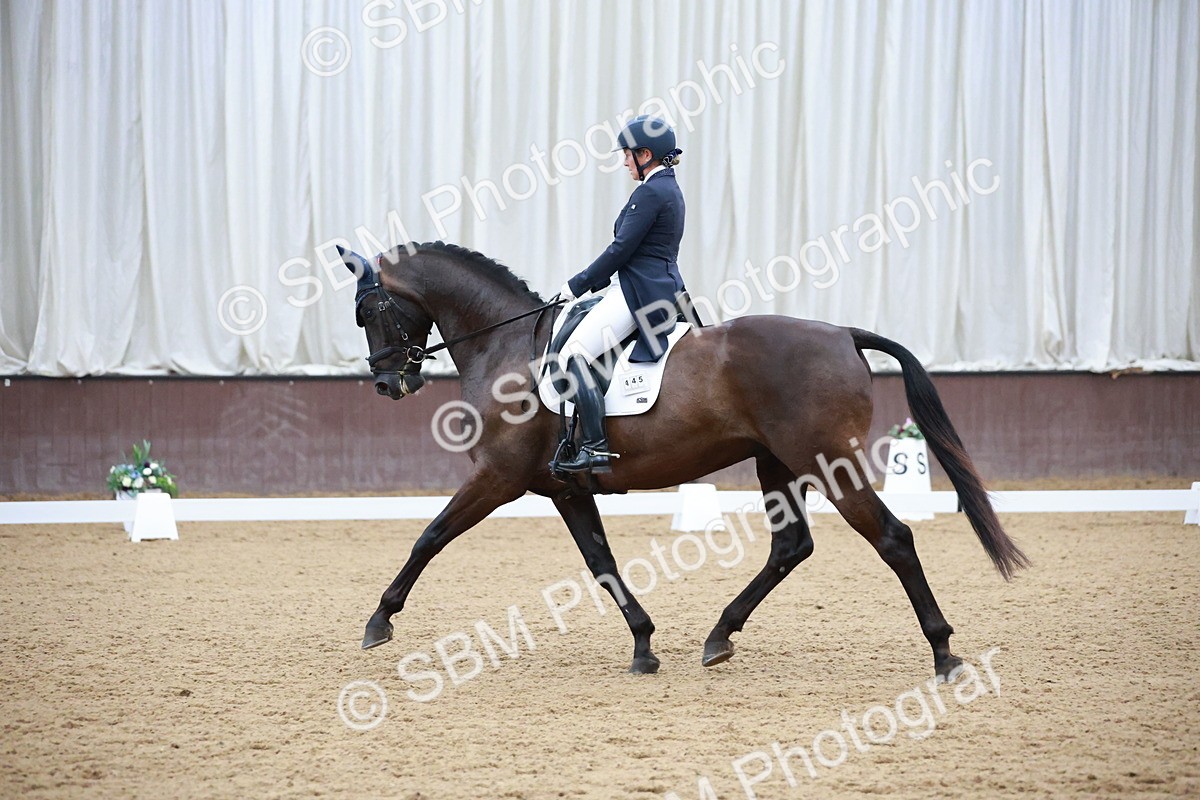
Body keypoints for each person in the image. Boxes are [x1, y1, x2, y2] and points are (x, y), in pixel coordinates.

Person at [553, 115, 687, 475]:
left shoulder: (650, 192)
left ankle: (595, 447)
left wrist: (578, 284)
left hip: (638, 290)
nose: (625, 161)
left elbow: (620, 249)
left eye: (628, 154)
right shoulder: (668, 188)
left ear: (645, 154)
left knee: (572, 353)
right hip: (655, 285)